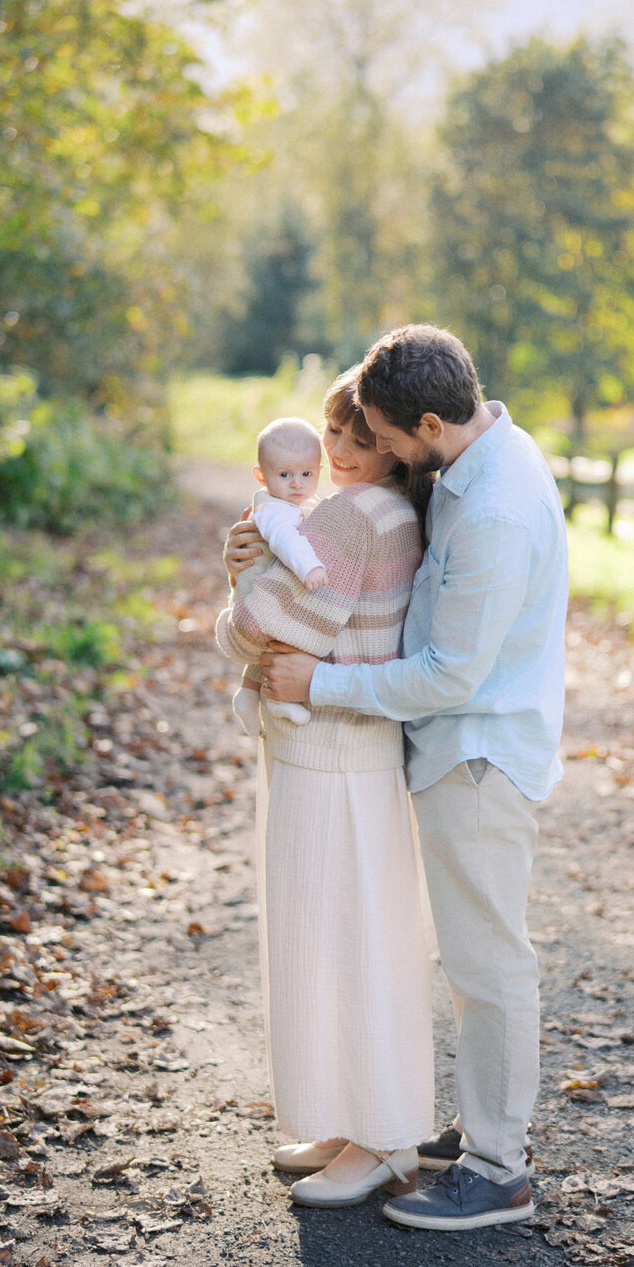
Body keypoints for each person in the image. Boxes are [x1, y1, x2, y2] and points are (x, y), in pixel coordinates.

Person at [259, 324, 567, 1232]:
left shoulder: (498, 508)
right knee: (471, 956)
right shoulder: (476, 462)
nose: (376, 450)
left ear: (431, 420)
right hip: (456, 747)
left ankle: (499, 1169)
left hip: (477, 753)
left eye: (386, 435)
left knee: (487, 962)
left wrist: (321, 682)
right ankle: (472, 1131)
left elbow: (448, 674)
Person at [215, 369, 434, 1208]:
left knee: (339, 944)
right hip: (355, 751)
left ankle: (382, 1139)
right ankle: (356, 1121)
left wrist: (235, 584)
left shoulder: (348, 515)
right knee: (352, 937)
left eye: (358, 437)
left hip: (330, 757)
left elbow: (262, 628)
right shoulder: (395, 512)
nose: (336, 451)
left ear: (391, 442)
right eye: (331, 433)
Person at [230, 417, 327, 737]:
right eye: (285, 475)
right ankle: (275, 698)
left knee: (270, 643)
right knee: (288, 633)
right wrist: (309, 567)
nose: (297, 483)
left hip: (254, 583)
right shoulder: (275, 511)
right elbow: (286, 540)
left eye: (306, 474)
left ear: (318, 471)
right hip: (255, 585)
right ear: (261, 476)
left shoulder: (283, 501)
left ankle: (247, 693)